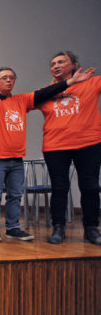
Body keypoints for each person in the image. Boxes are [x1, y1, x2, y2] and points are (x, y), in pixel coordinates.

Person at [0, 63, 95, 242]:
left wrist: (70, 82)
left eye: (12, 78)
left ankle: (13, 228)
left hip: (16, 157)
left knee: (15, 194)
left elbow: (45, 93)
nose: (9, 80)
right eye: (4, 78)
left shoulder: (21, 100)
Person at [40, 51, 101, 245]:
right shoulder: (47, 91)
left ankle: (91, 229)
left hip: (89, 143)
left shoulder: (91, 83)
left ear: (74, 65)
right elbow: (26, 102)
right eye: (53, 64)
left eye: (61, 62)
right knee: (59, 188)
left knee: (90, 186)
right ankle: (58, 228)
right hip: (55, 146)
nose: (56, 66)